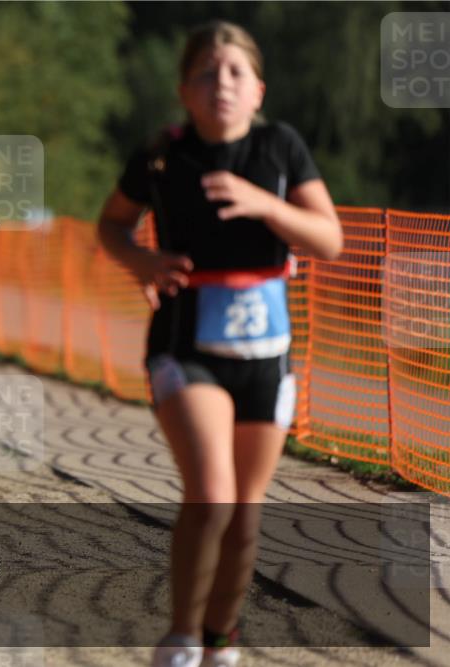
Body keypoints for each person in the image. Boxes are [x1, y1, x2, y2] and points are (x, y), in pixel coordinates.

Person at [97, 21, 342, 667]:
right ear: (184, 89)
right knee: (212, 493)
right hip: (185, 348)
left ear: (258, 89)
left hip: (268, 356)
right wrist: (141, 262)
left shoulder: (281, 148)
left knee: (245, 515)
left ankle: (221, 641)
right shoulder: (163, 156)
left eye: (234, 71)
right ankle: (180, 638)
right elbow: (111, 225)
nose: (221, 83)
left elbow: (328, 239)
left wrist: (265, 203)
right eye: (206, 71)